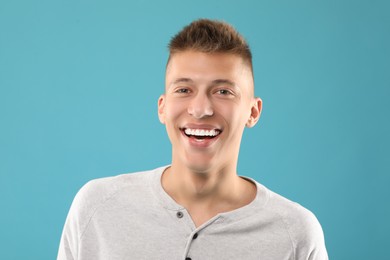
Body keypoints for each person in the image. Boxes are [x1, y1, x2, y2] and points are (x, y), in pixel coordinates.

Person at [58, 19, 328, 260]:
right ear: (162, 107)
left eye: (223, 91)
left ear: (253, 112)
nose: (200, 109)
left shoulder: (296, 234)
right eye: (184, 89)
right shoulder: (97, 208)